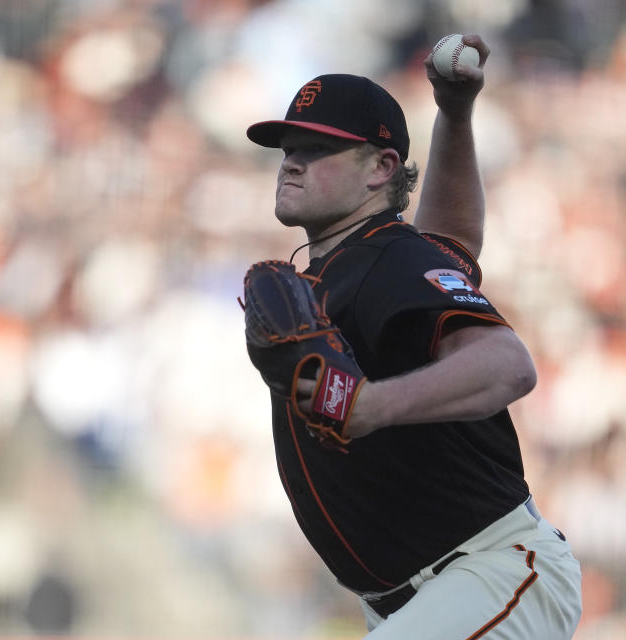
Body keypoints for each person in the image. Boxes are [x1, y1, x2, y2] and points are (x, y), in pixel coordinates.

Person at [245, 35, 582, 639]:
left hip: (489, 573)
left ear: (381, 169)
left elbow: (508, 364)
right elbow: (452, 242)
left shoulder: (383, 261)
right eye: (288, 147)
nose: (291, 160)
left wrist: (369, 406)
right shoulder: (369, 259)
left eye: (319, 148)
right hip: (431, 597)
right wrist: (453, 113)